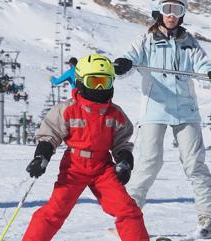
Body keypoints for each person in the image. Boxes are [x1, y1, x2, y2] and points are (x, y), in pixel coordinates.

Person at [114, 0, 211, 238]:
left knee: (195, 164)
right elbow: (129, 59)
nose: (171, 15)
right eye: (167, 9)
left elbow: (203, 65)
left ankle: (207, 217)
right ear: (158, 11)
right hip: (155, 108)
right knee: (149, 162)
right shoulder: (146, 40)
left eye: (177, 10)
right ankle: (129, 217)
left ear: (183, 13)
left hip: (185, 110)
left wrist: (209, 72)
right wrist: (122, 65)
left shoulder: (189, 43)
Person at [22, 54, 149, 241]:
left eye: (104, 82)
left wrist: (124, 161)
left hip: (102, 168)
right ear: (81, 82)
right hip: (74, 166)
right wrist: (42, 156)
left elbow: (122, 142)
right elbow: (50, 134)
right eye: (94, 81)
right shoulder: (68, 109)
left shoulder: (115, 114)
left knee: (128, 210)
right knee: (54, 212)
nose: (99, 87)